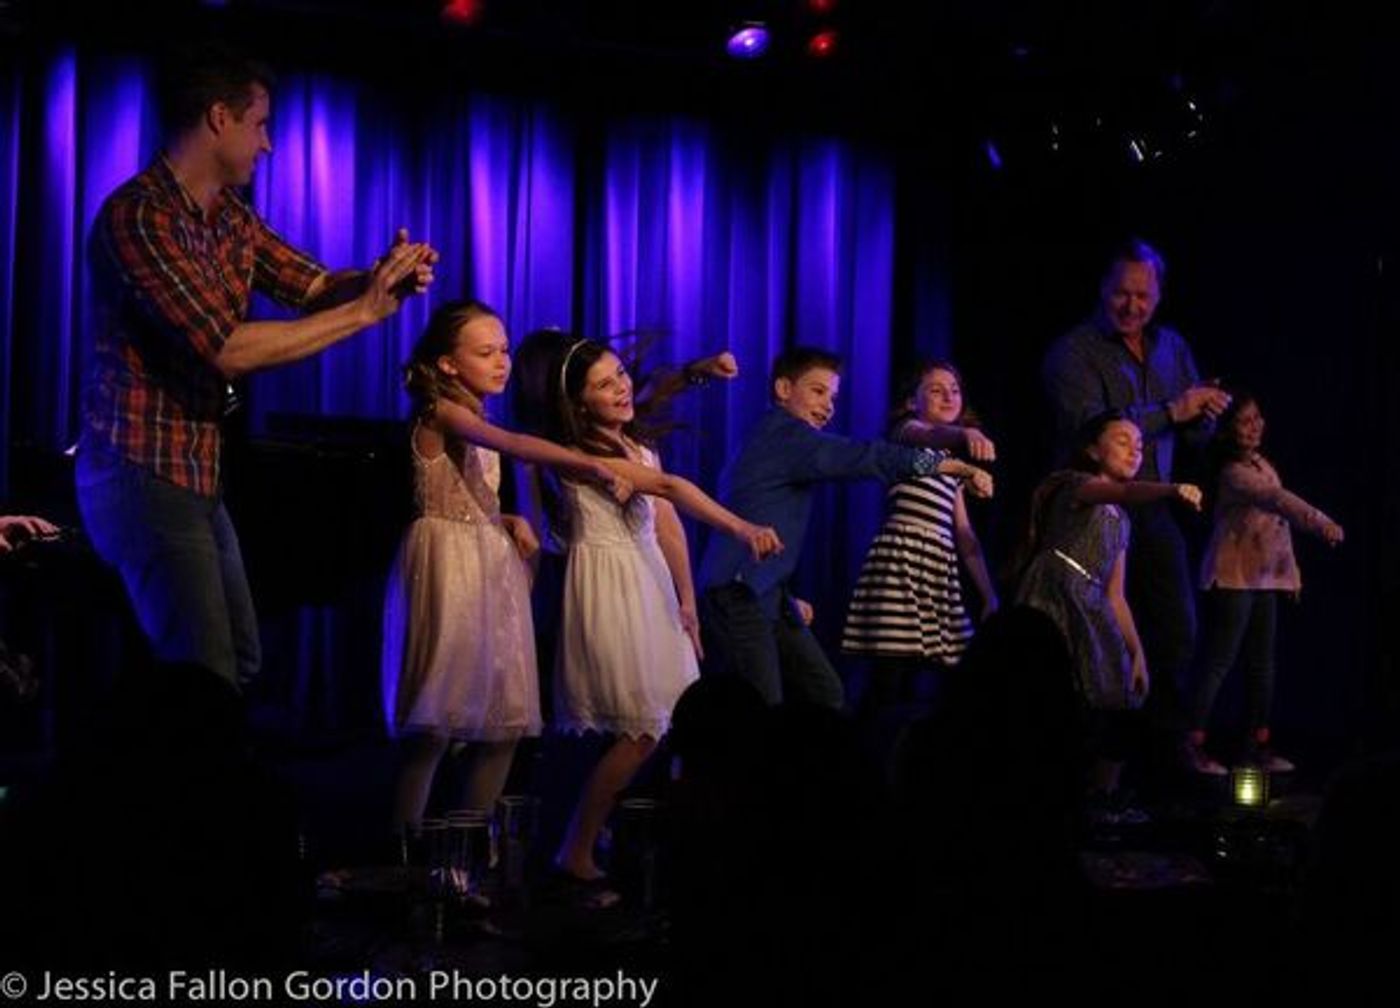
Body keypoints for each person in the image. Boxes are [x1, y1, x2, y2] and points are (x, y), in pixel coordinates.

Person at [76, 46, 436, 693]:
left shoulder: (231, 220)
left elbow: (314, 284)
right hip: (140, 473)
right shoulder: (141, 216)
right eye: (260, 124)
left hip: (194, 474)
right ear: (219, 118)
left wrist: (380, 279)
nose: (267, 145)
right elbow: (225, 347)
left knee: (238, 661)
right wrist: (365, 314)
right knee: (203, 674)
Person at [518, 336, 782, 891]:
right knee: (641, 728)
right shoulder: (584, 457)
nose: (620, 390)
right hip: (613, 588)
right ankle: (576, 845)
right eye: (603, 385)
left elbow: (666, 526)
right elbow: (667, 488)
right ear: (578, 402)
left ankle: (651, 838)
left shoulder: (634, 442)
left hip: (651, 585)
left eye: (619, 377)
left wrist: (686, 602)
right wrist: (741, 528)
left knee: (676, 722)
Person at [381, 301, 633, 829]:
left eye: (504, 349)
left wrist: (508, 519)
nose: (502, 361)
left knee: (503, 725)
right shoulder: (438, 410)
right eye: (485, 352)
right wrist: (590, 462)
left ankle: (464, 854)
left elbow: (477, 491)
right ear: (448, 364)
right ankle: (403, 858)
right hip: (447, 565)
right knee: (435, 725)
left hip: (488, 564)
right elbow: (513, 445)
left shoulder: (475, 414)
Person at [697, 346, 987, 709]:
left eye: (832, 397)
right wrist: (952, 466)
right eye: (818, 392)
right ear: (784, 390)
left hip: (768, 592)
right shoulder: (786, 435)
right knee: (761, 706)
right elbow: (863, 457)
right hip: (737, 591)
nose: (828, 406)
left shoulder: (783, 437)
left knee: (826, 693)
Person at [1043, 239, 1229, 768]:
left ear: (1159, 294)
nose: (1131, 306)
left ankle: (1161, 749)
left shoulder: (1171, 347)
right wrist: (1174, 408)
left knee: (1175, 629)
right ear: (1102, 289)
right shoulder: (1072, 352)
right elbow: (1092, 429)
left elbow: (1193, 436)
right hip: (1091, 508)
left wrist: (1205, 413)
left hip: (1152, 505)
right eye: (1121, 293)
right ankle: (1091, 759)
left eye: (1143, 296)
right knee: (1093, 635)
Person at [1017, 412, 1202, 820]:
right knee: (1057, 696)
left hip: (1094, 603)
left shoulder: (1122, 521)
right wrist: (1170, 489)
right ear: (1091, 449)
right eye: (1122, 440)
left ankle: (1102, 795)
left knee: (1118, 699)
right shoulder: (1077, 486)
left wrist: (1136, 652)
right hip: (1058, 595)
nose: (1135, 448)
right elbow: (1124, 492)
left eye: (1140, 443)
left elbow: (1116, 593)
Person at [1184, 391, 1344, 775]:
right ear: (1227, 432)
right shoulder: (1233, 472)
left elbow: (1276, 528)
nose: (1255, 427)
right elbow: (1277, 500)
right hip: (1234, 576)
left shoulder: (1260, 463)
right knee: (1220, 661)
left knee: (1263, 665)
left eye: (1257, 418)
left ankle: (1254, 746)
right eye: (1244, 421)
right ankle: (1190, 744)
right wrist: (1320, 521)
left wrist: (1291, 574)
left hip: (1263, 576)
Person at [842, 360, 997, 709]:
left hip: (937, 568)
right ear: (913, 401)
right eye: (936, 389)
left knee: (935, 682)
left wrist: (988, 594)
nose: (948, 396)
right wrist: (967, 435)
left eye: (955, 390)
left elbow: (965, 535)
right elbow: (929, 434)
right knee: (889, 676)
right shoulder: (907, 435)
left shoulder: (951, 467)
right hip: (903, 562)